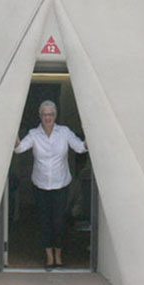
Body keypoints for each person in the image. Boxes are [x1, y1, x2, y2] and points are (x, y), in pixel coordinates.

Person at [14, 100, 88, 270]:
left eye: (51, 114)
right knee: (44, 221)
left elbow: (79, 148)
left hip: (61, 184)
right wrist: (13, 134)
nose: (48, 117)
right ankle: (49, 257)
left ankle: (58, 256)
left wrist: (90, 137)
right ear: (40, 116)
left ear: (55, 116)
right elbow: (19, 149)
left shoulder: (64, 132)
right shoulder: (34, 134)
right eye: (45, 114)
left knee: (59, 221)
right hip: (40, 185)